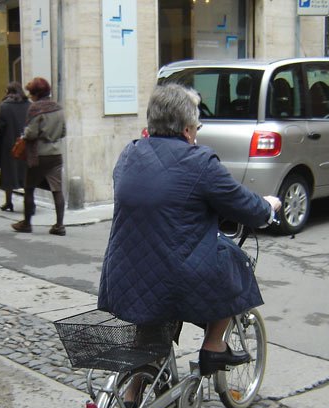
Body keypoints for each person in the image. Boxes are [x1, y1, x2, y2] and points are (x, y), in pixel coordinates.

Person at [97, 83, 281, 376]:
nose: (197, 132)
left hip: (123, 274)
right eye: (196, 126)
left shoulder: (130, 154)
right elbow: (244, 205)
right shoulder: (200, 162)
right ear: (186, 129)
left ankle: (131, 401)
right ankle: (213, 346)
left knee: (150, 332)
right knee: (235, 262)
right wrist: (268, 206)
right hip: (175, 279)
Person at [11, 77, 67, 236]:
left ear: (36, 94)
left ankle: (27, 223)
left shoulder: (35, 109)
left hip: (39, 154)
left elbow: (31, 133)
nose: (30, 97)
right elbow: (63, 131)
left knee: (29, 188)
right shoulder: (58, 108)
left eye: (31, 93)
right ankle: (59, 225)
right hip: (56, 153)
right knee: (57, 190)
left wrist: (25, 134)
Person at [0, 81, 29, 212]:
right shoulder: (28, 105)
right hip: (25, 144)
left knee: (9, 174)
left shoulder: (4, 106)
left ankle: (8, 202)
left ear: (8, 92)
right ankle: (29, 202)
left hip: (9, 145)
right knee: (26, 174)